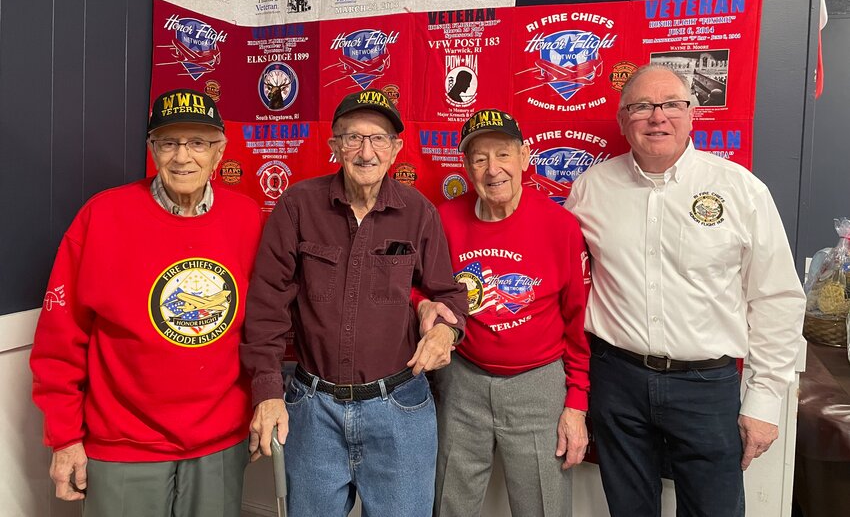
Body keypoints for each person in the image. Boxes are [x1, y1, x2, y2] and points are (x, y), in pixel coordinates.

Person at [565, 64, 806, 516]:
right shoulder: (590, 190)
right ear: (622, 120)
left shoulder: (741, 190)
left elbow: (776, 299)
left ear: (693, 113)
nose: (658, 117)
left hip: (706, 386)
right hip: (617, 381)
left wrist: (765, 400)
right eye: (641, 107)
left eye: (671, 105)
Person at [30, 89, 263, 517]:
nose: (182, 157)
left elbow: (264, 327)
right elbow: (59, 342)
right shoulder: (101, 217)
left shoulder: (247, 218)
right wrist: (64, 438)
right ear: (152, 149)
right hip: (123, 445)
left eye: (198, 142)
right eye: (168, 143)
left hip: (219, 444)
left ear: (220, 152)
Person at [240, 89, 468, 516]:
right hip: (313, 410)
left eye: (379, 138)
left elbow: (449, 293)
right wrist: (267, 391)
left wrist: (446, 329)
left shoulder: (419, 212)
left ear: (397, 148)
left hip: (400, 408)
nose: (366, 152)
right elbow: (267, 305)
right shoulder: (297, 206)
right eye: (352, 138)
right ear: (334, 146)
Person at [420, 108, 591, 517]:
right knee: (448, 502)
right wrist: (424, 305)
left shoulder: (561, 226)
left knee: (542, 507)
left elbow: (578, 323)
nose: (493, 169)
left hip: (538, 384)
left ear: (525, 157)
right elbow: (414, 284)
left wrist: (577, 404)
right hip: (462, 381)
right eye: (479, 158)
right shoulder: (442, 219)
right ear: (466, 166)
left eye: (503, 155)